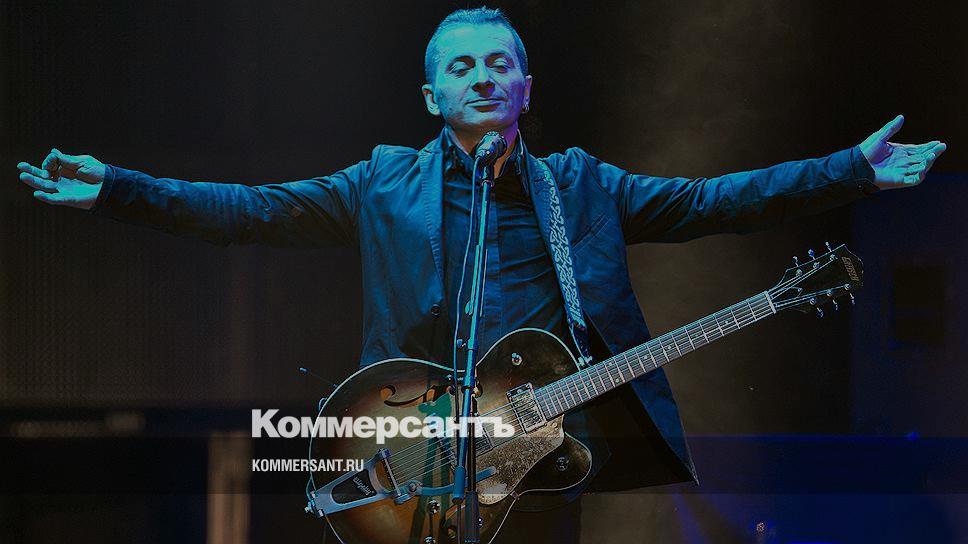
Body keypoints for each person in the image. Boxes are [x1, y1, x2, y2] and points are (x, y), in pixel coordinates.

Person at [15, 6, 946, 543]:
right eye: (461, 67)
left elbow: (713, 201)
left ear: (526, 89)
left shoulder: (580, 185)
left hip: (537, 461)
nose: (483, 76)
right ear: (433, 95)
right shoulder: (383, 182)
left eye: (501, 64)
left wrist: (850, 170)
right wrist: (118, 189)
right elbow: (248, 210)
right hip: (416, 451)